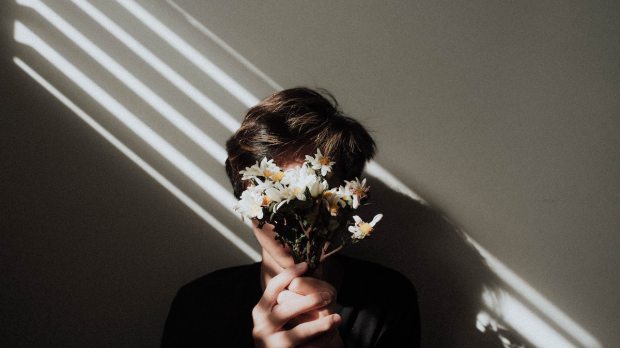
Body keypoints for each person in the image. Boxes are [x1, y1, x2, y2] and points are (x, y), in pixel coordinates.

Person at [161, 87, 421, 347]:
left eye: (315, 198)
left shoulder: (387, 299)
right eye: (271, 198)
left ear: (347, 198)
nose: (293, 218)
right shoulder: (200, 305)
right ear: (245, 201)